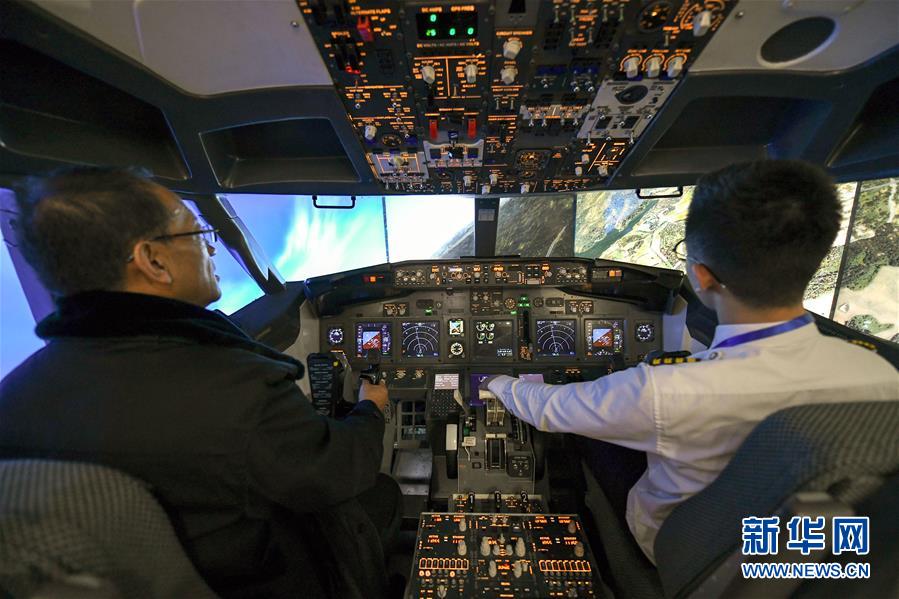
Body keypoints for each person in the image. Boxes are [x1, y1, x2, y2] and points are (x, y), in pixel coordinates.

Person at [0, 167, 399, 598]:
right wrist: (370, 408)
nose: (211, 245)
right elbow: (336, 472)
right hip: (267, 577)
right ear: (153, 260)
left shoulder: (15, 396)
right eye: (197, 232)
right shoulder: (235, 388)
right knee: (384, 493)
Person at [482, 160, 898, 563]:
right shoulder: (881, 375)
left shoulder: (667, 390)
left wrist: (497, 382)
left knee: (580, 435)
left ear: (701, 277)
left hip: (678, 547)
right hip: (775, 554)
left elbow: (550, 409)